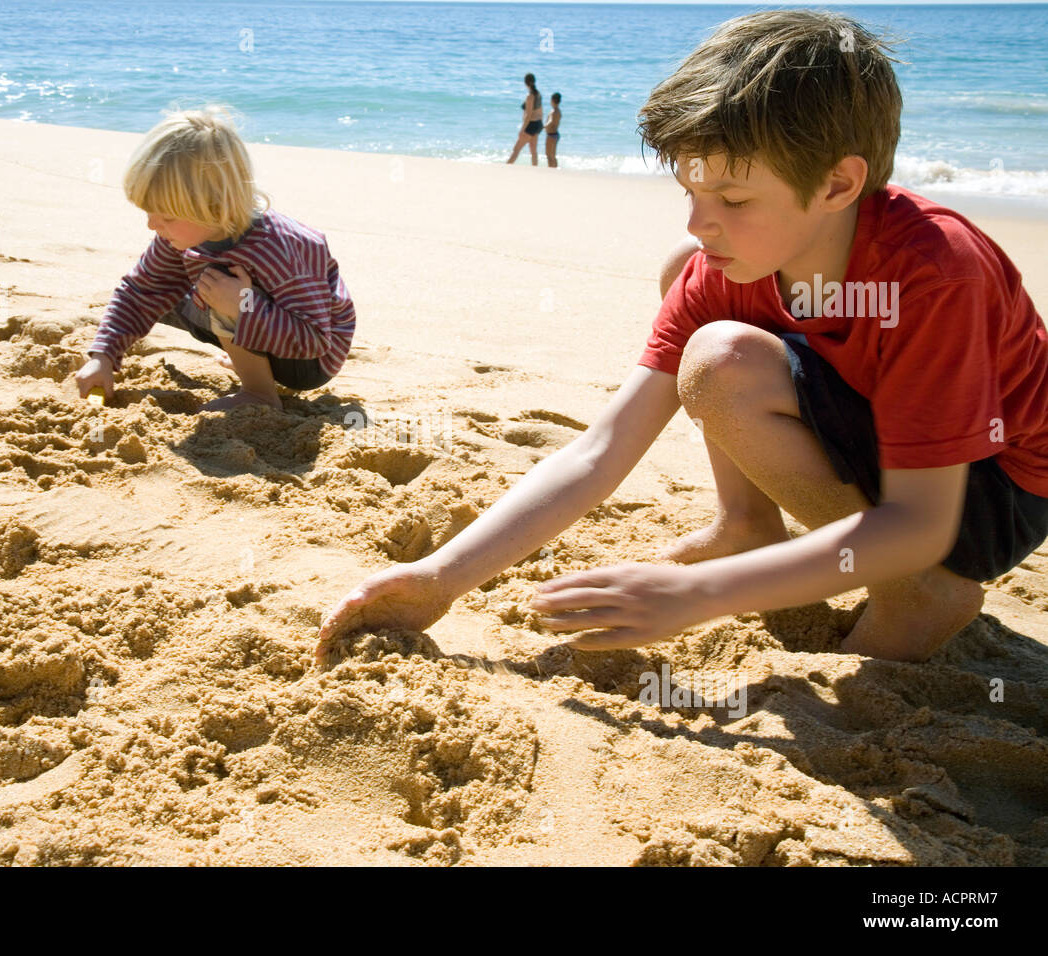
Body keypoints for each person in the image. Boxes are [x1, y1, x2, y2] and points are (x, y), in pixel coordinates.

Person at [317, 9, 1048, 666]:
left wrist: (700, 596)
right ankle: (747, 526)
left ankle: (916, 594)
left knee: (721, 356)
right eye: (690, 192)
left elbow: (922, 524)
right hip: (880, 437)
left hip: (991, 490)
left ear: (836, 185)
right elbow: (601, 449)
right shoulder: (726, 262)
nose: (701, 221)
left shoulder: (933, 274)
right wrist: (439, 578)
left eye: (732, 198)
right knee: (691, 289)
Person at [75, 106, 356, 412]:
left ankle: (260, 392)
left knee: (219, 283)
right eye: (149, 212)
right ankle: (249, 355)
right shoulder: (185, 234)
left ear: (215, 206)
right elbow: (141, 290)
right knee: (160, 290)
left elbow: (314, 340)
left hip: (309, 361)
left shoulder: (283, 248)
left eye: (166, 216)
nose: (152, 226)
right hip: (264, 326)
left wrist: (245, 307)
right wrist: (102, 355)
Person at [506, 73, 544, 166]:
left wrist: (522, 129)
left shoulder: (530, 96)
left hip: (531, 124)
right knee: (533, 151)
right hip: (538, 123)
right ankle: (535, 170)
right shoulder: (538, 94)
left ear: (525, 83)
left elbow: (528, 115)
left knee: (516, 149)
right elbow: (540, 110)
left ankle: (506, 168)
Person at [544, 92, 562, 169]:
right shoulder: (558, 111)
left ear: (552, 100)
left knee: (548, 155)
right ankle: (555, 168)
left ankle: (550, 169)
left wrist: (544, 126)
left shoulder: (553, 111)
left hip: (551, 135)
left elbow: (550, 121)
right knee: (553, 155)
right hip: (556, 134)